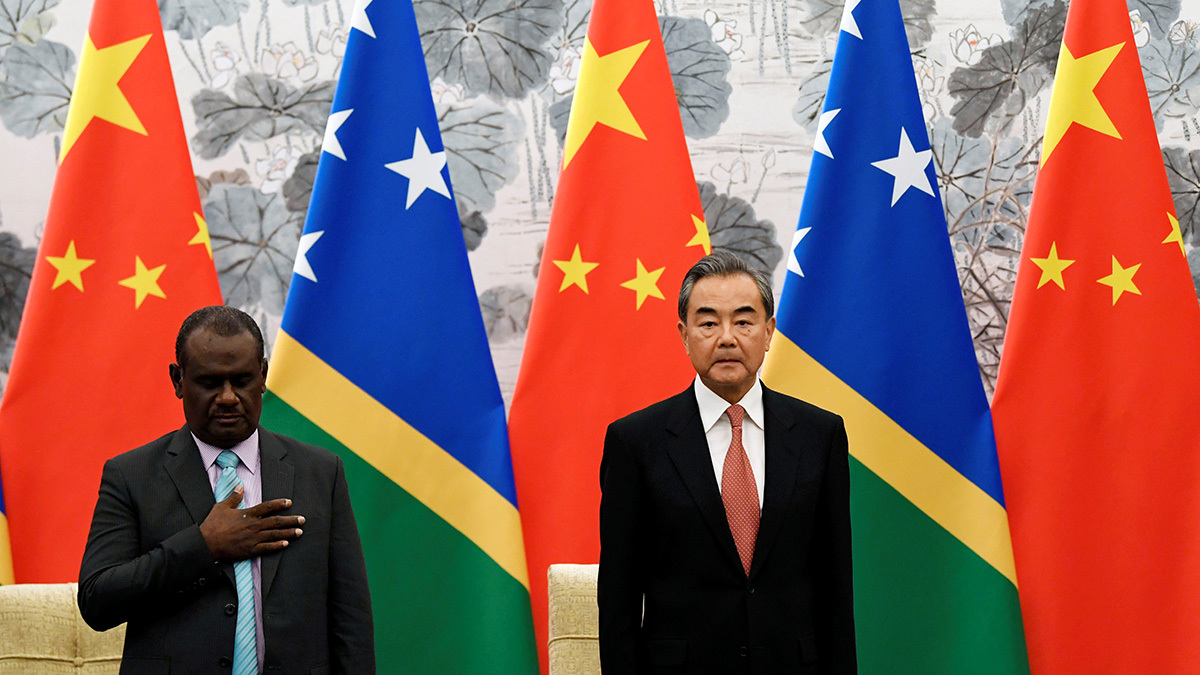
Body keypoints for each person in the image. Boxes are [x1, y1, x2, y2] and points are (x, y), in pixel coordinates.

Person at [598, 251, 856, 674]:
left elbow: (835, 588)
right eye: (707, 322)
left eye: (743, 320)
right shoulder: (635, 442)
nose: (727, 338)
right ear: (683, 334)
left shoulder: (819, 435)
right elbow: (619, 600)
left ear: (769, 332)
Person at [78, 305, 374, 674]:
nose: (229, 397)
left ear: (263, 376)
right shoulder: (131, 475)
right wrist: (203, 546)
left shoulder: (320, 472)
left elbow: (350, 619)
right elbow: (96, 602)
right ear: (178, 380)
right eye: (210, 382)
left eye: (242, 380)